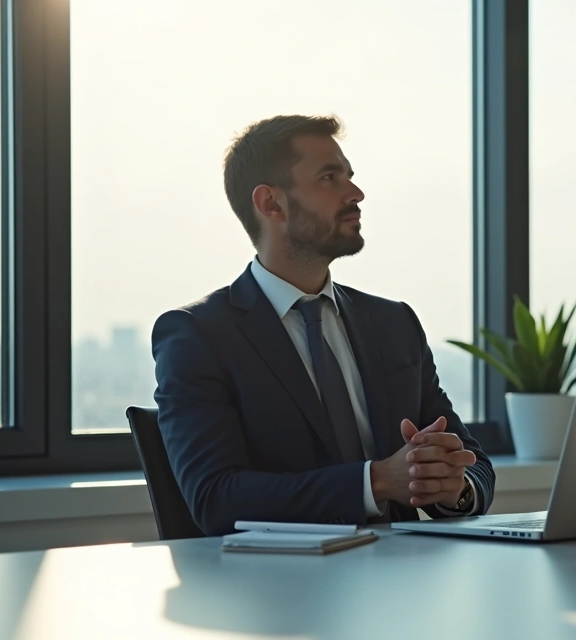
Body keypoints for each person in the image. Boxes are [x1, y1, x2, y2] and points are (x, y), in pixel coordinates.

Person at [151, 115, 495, 535]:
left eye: (350, 176)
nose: (356, 193)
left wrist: (451, 486)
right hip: (282, 592)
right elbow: (216, 499)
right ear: (271, 203)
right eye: (330, 178)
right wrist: (378, 481)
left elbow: (472, 466)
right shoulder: (197, 335)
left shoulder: (394, 324)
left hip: (405, 583)